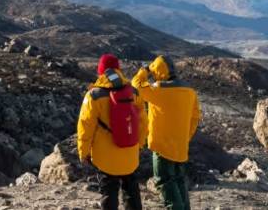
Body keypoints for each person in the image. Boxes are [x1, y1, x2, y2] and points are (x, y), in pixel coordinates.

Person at [78, 53, 148, 210]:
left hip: (105, 158)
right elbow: (144, 122)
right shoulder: (134, 92)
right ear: (118, 70)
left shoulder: (93, 96)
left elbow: (85, 127)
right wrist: (140, 145)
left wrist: (84, 152)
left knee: (109, 192)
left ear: (101, 71)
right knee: (131, 188)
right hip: (130, 152)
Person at [132, 55, 200, 210]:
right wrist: (186, 136)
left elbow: (136, 85)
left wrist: (145, 70)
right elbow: (195, 117)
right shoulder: (190, 91)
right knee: (179, 180)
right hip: (180, 146)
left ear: (159, 71)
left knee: (164, 181)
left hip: (162, 145)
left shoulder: (158, 90)